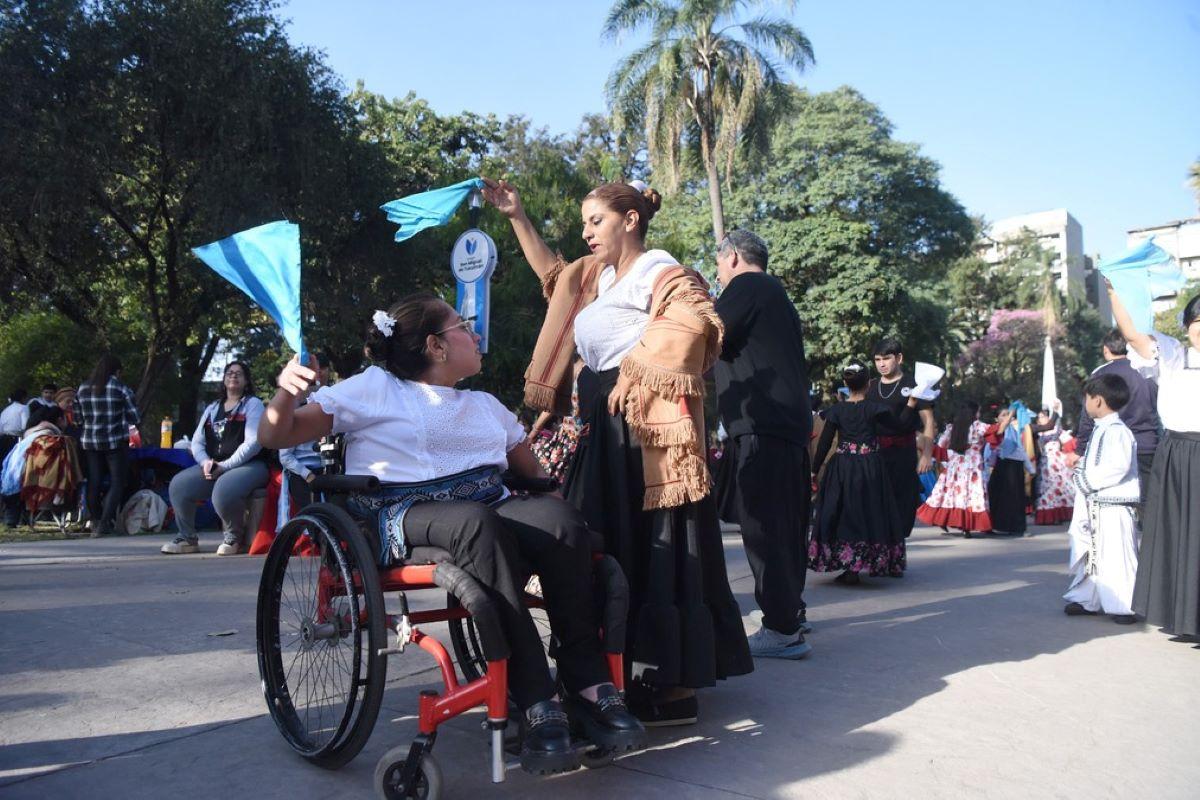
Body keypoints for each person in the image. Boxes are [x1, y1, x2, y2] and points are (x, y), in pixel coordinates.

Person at [258, 293, 646, 773]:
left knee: (563, 525)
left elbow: (535, 476)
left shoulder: (483, 404)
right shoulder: (375, 388)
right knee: (477, 525)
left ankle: (587, 685)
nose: (477, 334)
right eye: (465, 326)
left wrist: (556, 515)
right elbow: (276, 435)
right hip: (405, 510)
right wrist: (286, 392)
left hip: (486, 507)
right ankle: (534, 697)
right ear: (436, 346)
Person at [482, 176, 751, 727]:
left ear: (630, 220)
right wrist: (517, 217)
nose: (586, 232)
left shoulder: (659, 268)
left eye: (595, 221)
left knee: (656, 547)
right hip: (601, 428)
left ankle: (673, 688)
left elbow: (696, 318)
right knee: (603, 548)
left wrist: (635, 368)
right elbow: (553, 280)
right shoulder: (592, 278)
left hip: (645, 430)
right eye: (583, 223)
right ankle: (608, 675)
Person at [713, 229, 813, 660]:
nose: (718, 276)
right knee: (785, 523)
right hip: (784, 423)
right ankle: (789, 610)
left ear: (732, 257)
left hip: (762, 423)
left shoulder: (748, 286)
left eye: (718, 266)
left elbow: (706, 333)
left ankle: (781, 627)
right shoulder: (774, 294)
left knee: (763, 525)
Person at [1110, 288, 1200, 640]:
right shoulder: (1174, 355)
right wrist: (1116, 291)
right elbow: (1132, 333)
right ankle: (1186, 619)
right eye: (1196, 322)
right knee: (1178, 535)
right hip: (1177, 455)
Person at [810, 362, 920, 583]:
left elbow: (824, 443)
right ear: (869, 384)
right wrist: (911, 404)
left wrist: (813, 470)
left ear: (845, 383)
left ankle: (849, 567)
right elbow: (899, 427)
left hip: (841, 468)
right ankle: (878, 562)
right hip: (870, 466)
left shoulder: (836, 411)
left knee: (843, 512)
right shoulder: (875, 409)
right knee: (871, 512)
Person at [162, 361, 269, 556]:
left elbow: (253, 443)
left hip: (250, 465)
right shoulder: (212, 408)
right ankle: (187, 538)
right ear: (224, 379)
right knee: (179, 485)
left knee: (224, 489)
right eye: (229, 373)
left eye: (239, 373)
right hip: (216, 464)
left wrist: (225, 466)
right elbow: (197, 443)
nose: (233, 376)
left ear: (246, 381)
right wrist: (205, 463)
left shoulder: (253, 405)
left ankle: (233, 537)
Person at [1063, 373, 1140, 623]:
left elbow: (1117, 466)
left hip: (1113, 504)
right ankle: (1089, 599)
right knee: (1093, 554)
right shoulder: (1103, 429)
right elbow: (1099, 461)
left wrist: (1086, 481)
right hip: (1097, 503)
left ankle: (1124, 605)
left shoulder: (1117, 431)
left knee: (1116, 556)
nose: (1085, 403)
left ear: (1097, 400)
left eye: (1087, 398)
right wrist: (1082, 465)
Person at [1070, 328, 1161, 503]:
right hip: (1147, 445)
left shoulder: (1100, 374)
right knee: (1150, 506)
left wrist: (1080, 449)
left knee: (1117, 501)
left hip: (1112, 448)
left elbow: (1087, 416)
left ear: (1106, 349)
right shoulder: (1148, 370)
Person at [869, 338, 937, 540]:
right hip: (876, 455)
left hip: (904, 453)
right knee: (877, 506)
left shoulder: (914, 384)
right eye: (877, 359)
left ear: (899, 358)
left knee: (902, 506)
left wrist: (927, 455)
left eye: (886, 358)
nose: (882, 364)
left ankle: (896, 557)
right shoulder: (871, 386)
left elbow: (928, 421)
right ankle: (879, 557)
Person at [76, 354, 140, 538]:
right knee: (117, 481)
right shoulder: (121, 388)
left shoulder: (83, 388)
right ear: (118, 371)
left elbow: (78, 419)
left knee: (94, 481)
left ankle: (96, 520)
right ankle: (105, 522)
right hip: (115, 442)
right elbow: (134, 418)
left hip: (90, 442)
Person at [917, 401, 994, 536]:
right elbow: (995, 430)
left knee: (953, 495)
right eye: (978, 411)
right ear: (973, 413)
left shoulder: (952, 428)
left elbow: (941, 445)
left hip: (955, 465)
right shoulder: (977, 426)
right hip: (973, 465)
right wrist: (1009, 417)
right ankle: (968, 526)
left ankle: (955, 524)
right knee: (972, 494)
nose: (979, 414)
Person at [986, 403, 1036, 535]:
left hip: (1014, 466)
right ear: (997, 419)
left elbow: (1020, 450)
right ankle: (994, 525)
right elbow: (989, 450)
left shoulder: (1013, 431)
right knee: (996, 497)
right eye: (1003, 415)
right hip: (1002, 465)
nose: (1007, 417)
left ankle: (1016, 529)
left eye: (1008, 414)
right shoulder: (996, 430)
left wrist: (1030, 468)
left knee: (1015, 498)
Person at [1031, 404, 1074, 526]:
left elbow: (1069, 441)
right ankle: (1049, 515)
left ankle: (1060, 515)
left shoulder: (1057, 429)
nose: (1041, 419)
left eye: (1043, 416)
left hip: (1057, 461)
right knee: (1047, 488)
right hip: (1046, 463)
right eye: (1039, 417)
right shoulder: (1038, 432)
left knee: (1061, 488)